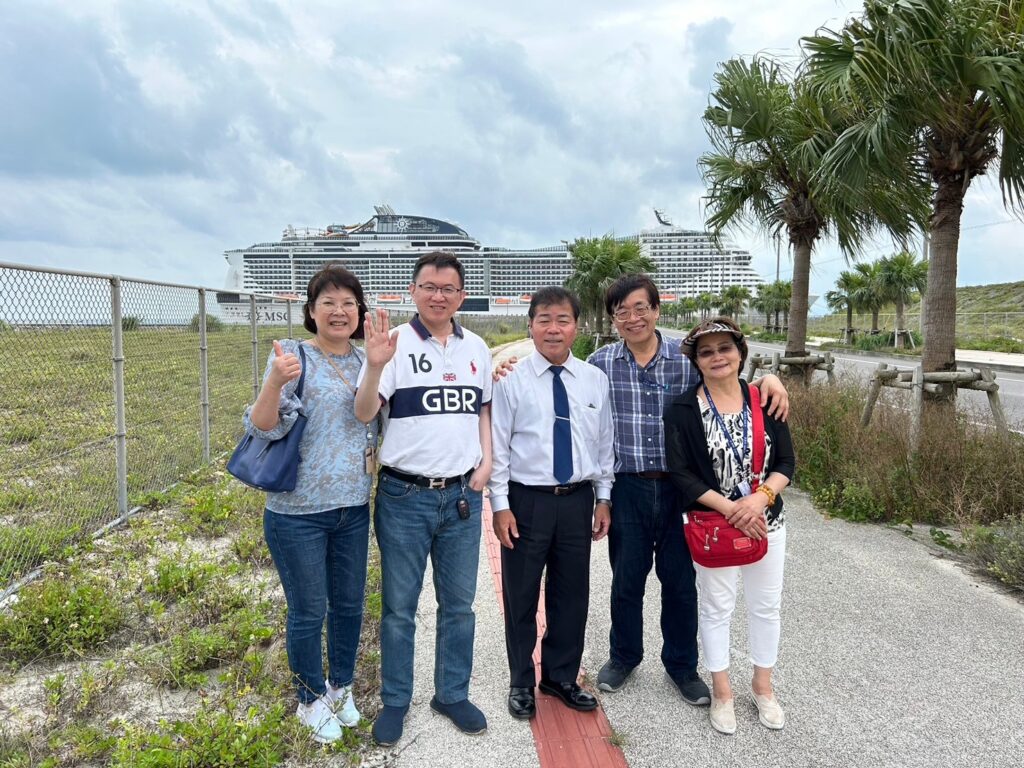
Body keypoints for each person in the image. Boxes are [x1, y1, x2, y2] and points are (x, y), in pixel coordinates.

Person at [586, 274, 789, 704]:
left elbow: (733, 379)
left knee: (680, 582)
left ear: (656, 310)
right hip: (628, 487)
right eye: (621, 311)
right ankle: (624, 656)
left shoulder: (686, 361)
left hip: (685, 491)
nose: (632, 317)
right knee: (626, 579)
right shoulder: (600, 363)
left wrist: (770, 378)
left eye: (641, 307)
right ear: (613, 319)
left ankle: (681, 665)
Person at [354, 251, 493, 746]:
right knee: (399, 606)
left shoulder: (476, 345)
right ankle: (396, 700)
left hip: (461, 496)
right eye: (429, 287)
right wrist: (373, 368)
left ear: (461, 295)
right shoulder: (391, 346)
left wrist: (487, 459)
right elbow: (364, 410)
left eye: (449, 288)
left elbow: (481, 409)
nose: (439, 296)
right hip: (403, 494)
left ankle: (451, 692)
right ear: (413, 291)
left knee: (458, 605)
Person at [244, 263, 377, 744]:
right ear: (311, 311)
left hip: (353, 507)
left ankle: (340, 687)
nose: (340, 311)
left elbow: (371, 416)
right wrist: (275, 382)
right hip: (296, 511)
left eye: (349, 303)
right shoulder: (293, 356)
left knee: (348, 604)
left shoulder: (368, 360)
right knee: (308, 609)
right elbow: (262, 426)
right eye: (329, 303)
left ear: (360, 312)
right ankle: (309, 697)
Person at [663, 316, 794, 735]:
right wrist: (732, 509)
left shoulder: (766, 399)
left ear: (740, 353)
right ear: (695, 361)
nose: (717, 357)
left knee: (765, 607)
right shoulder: (683, 409)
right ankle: (722, 692)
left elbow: (786, 463)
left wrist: (759, 499)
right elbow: (681, 473)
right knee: (717, 608)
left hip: (768, 521)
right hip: (714, 525)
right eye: (706, 351)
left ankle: (763, 686)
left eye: (725, 348)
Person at [489, 287, 614, 720]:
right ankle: (521, 680)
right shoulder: (511, 380)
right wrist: (500, 506)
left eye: (562, 319)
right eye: (544, 319)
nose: (553, 328)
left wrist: (603, 497)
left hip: (577, 500)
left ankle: (559, 676)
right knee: (520, 595)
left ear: (576, 326)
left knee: (571, 593)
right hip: (527, 501)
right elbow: (499, 449)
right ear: (531, 325)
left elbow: (603, 445)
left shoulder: (595, 380)